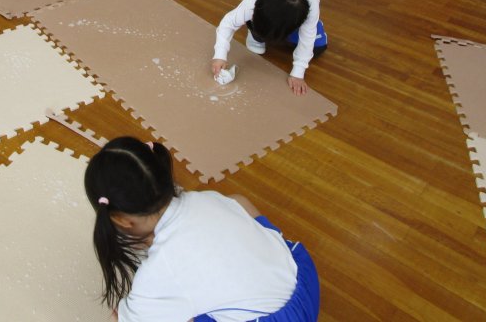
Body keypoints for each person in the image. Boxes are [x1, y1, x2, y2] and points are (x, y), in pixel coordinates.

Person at [85, 136, 319, 321]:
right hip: (304, 281)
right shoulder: (208, 198)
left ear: (122, 220)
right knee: (237, 201)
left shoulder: (160, 271)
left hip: (276, 318)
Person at [211, 0, 326, 96]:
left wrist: (298, 72)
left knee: (318, 47)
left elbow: (307, 38)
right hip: (267, 3)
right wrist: (220, 55)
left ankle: (272, 33)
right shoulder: (253, 0)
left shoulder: (311, 9)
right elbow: (228, 23)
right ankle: (256, 35)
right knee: (258, 26)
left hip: (295, 18)